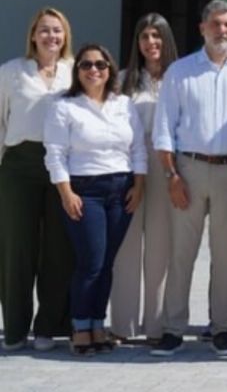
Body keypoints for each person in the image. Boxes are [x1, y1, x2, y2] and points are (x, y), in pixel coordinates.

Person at [150, 0, 227, 356]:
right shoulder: (180, 71)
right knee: (181, 254)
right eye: (215, 23)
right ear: (202, 28)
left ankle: (222, 328)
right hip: (189, 170)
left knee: (226, 254)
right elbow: (164, 127)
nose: (222, 30)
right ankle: (173, 329)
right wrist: (171, 175)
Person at [44, 44, 147, 355]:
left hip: (121, 189)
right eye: (86, 65)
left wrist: (139, 185)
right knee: (91, 262)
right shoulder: (64, 106)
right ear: (77, 71)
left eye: (100, 65)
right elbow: (55, 154)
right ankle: (80, 327)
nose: (93, 70)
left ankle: (98, 324)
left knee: (106, 264)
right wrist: (66, 193)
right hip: (84, 190)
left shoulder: (123, 104)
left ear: (110, 69)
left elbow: (138, 148)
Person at [0, 7, 75, 351]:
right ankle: (16, 328)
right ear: (33, 35)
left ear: (65, 35)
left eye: (57, 30)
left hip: (62, 166)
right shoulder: (11, 72)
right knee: (17, 248)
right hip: (20, 166)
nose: (51, 36)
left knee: (58, 250)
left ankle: (48, 327)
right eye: (44, 30)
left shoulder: (74, 71)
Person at [110, 13, 179, 343]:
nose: (151, 42)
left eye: (157, 35)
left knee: (160, 245)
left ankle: (156, 325)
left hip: (167, 161)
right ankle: (122, 325)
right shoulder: (122, 81)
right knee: (126, 245)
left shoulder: (180, 76)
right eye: (144, 36)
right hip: (129, 163)